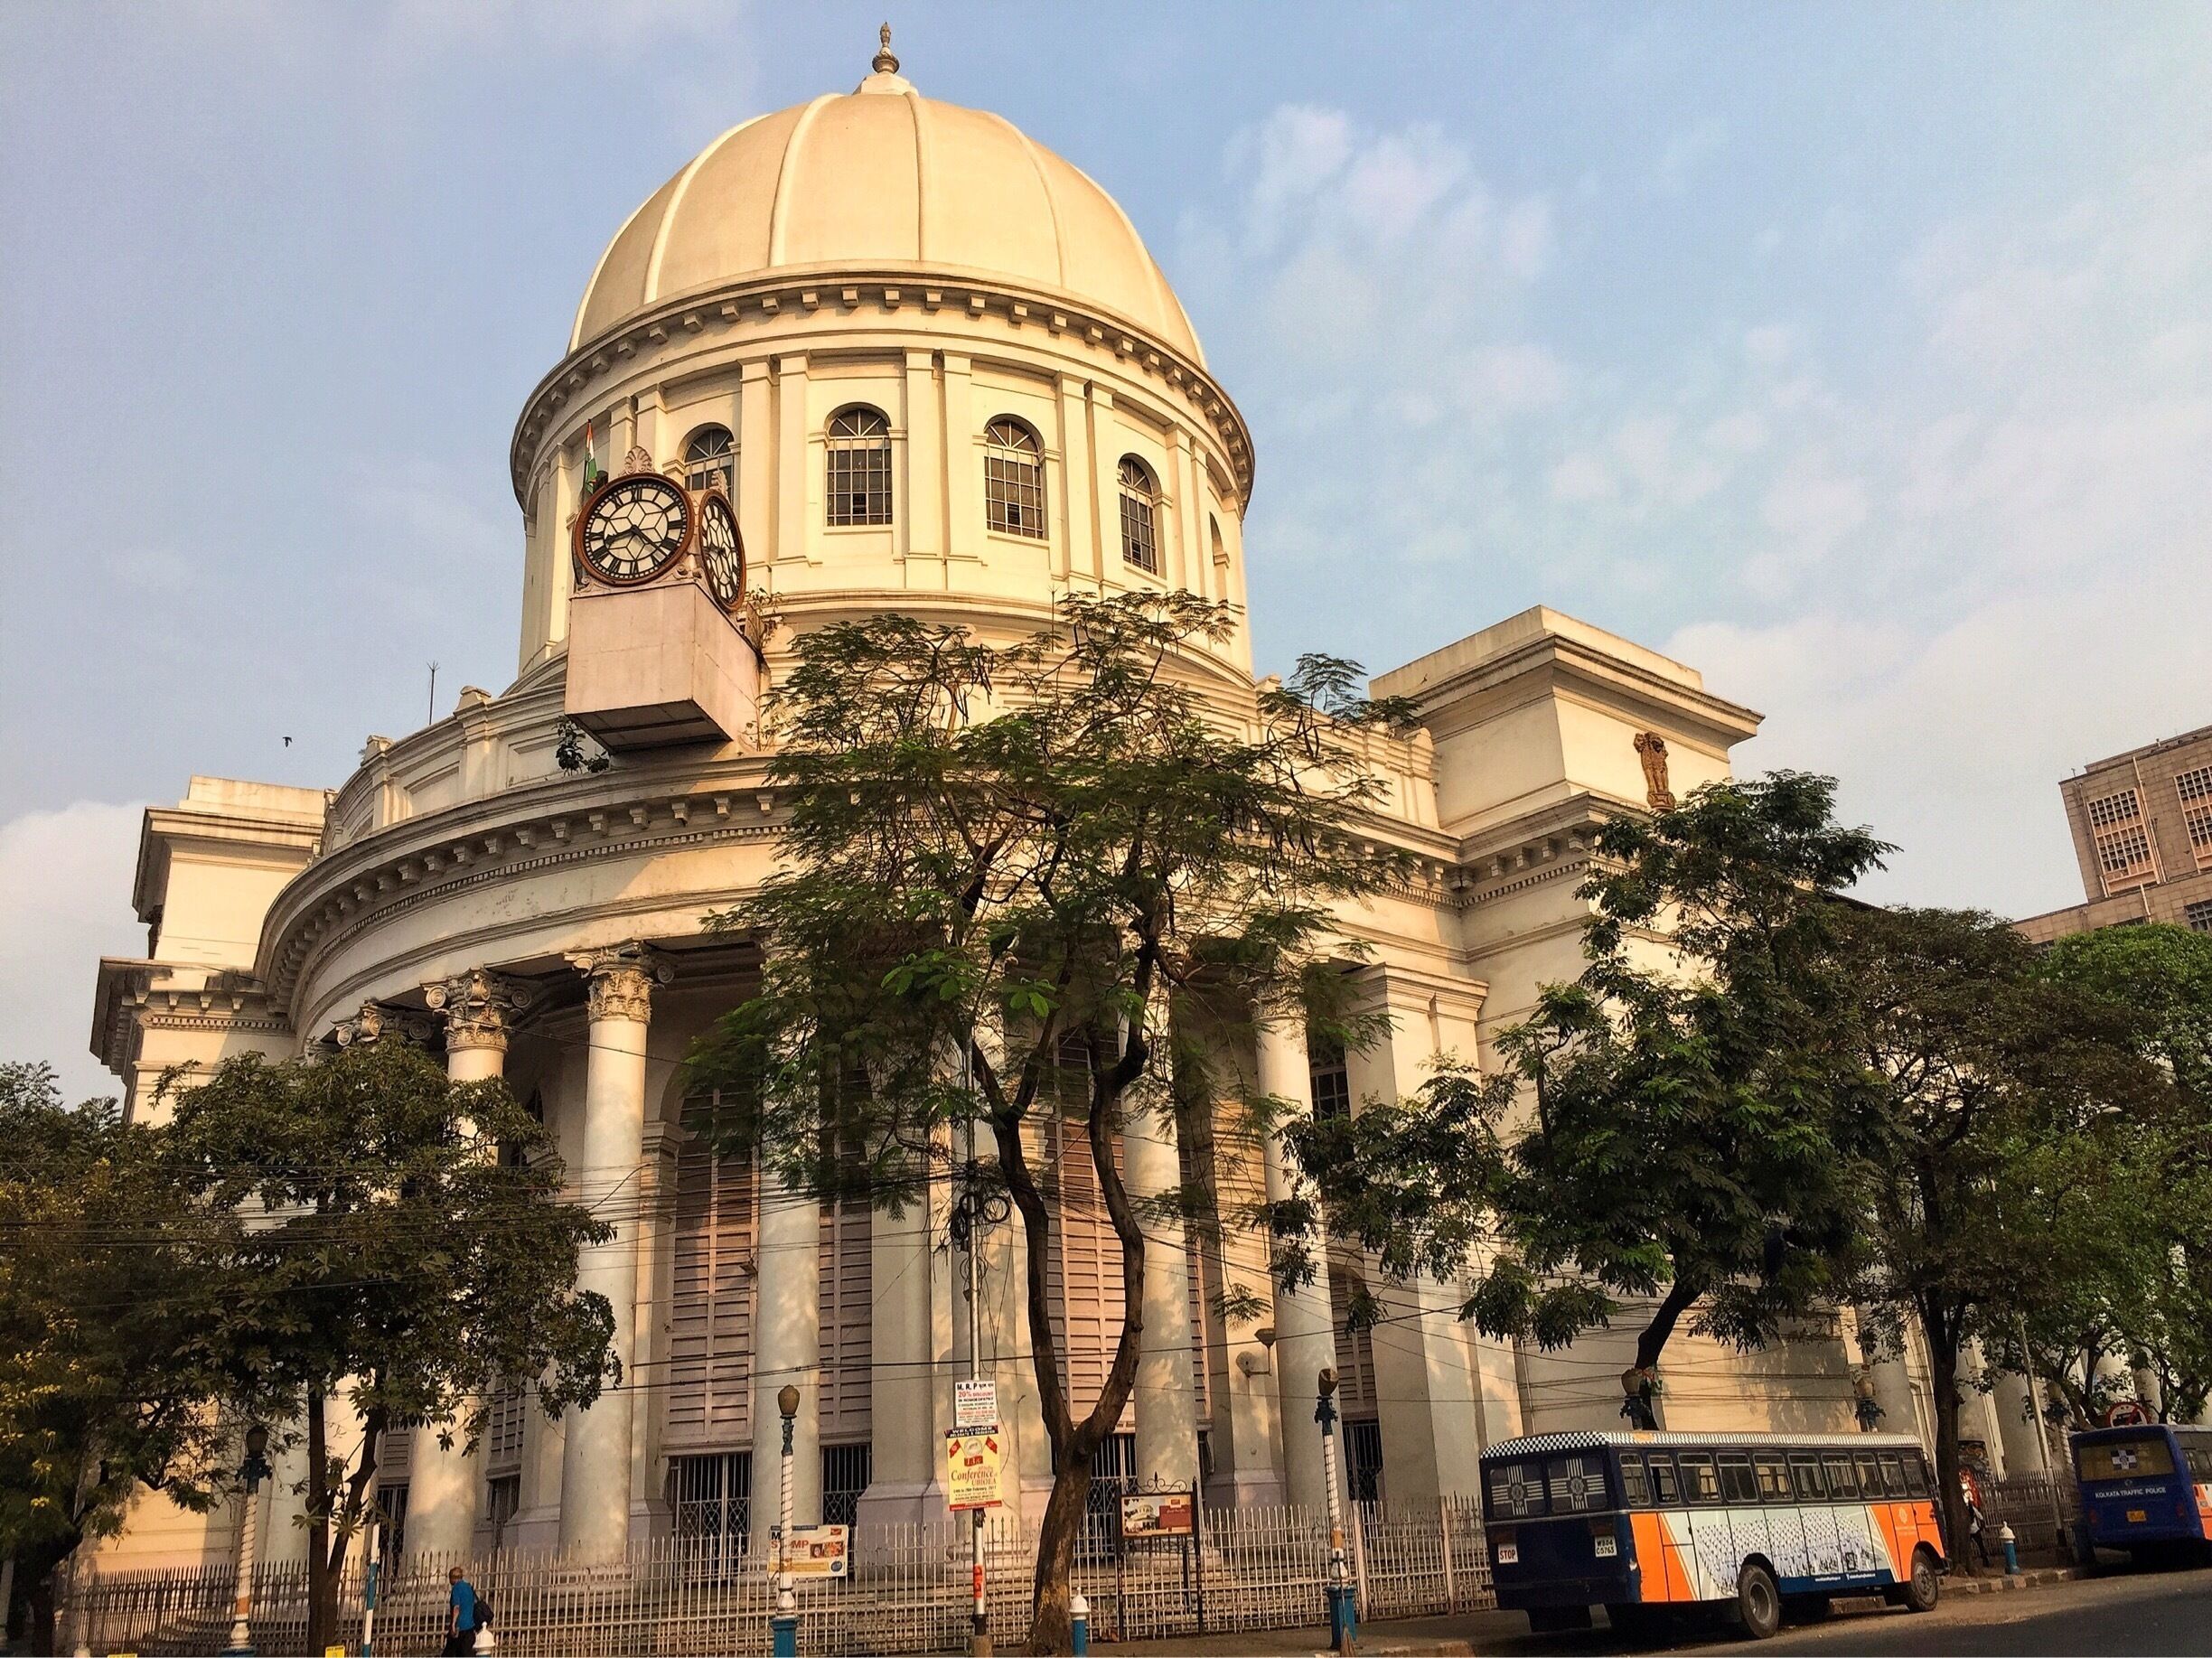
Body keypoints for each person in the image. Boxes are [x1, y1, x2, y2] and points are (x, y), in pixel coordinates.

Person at [445, 1566, 479, 1656]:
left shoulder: (456, 1588)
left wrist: (453, 1624)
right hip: (470, 1626)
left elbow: (456, 1607)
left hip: (460, 1627)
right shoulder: (468, 1587)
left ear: (453, 1578)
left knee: (449, 1653)